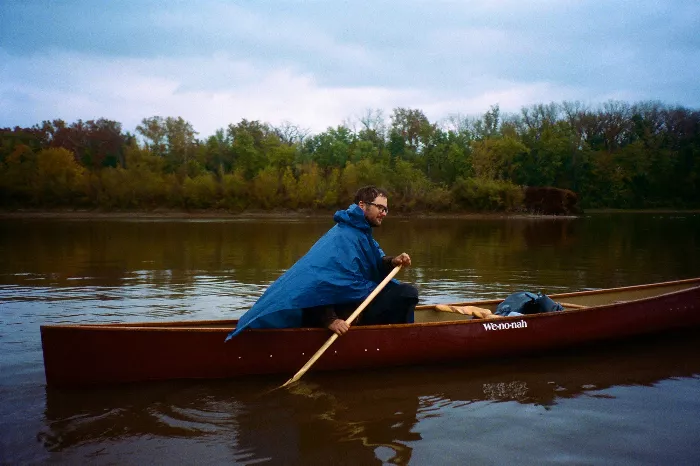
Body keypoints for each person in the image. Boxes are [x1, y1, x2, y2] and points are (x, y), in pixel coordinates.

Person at [225, 186, 418, 341]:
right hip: (327, 311)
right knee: (407, 294)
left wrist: (393, 261)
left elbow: (376, 264)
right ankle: (400, 340)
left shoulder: (362, 234)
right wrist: (330, 320)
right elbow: (317, 281)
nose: (384, 213)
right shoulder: (343, 235)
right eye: (380, 207)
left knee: (404, 294)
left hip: (351, 304)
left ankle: (393, 337)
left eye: (386, 209)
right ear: (362, 205)